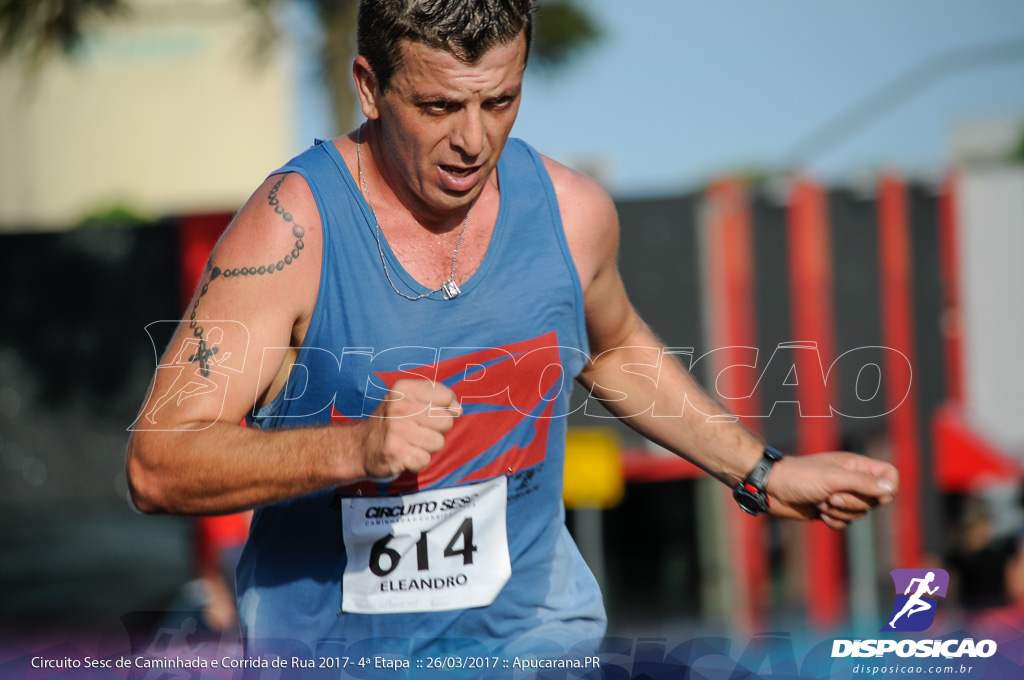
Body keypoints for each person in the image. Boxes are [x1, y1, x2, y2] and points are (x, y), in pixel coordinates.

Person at [126, 0, 898, 661]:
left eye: (499, 101)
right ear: (369, 87)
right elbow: (160, 464)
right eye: (438, 107)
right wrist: (350, 448)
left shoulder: (569, 211)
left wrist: (760, 472)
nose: (473, 140)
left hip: (533, 646)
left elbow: (613, 348)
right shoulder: (293, 231)